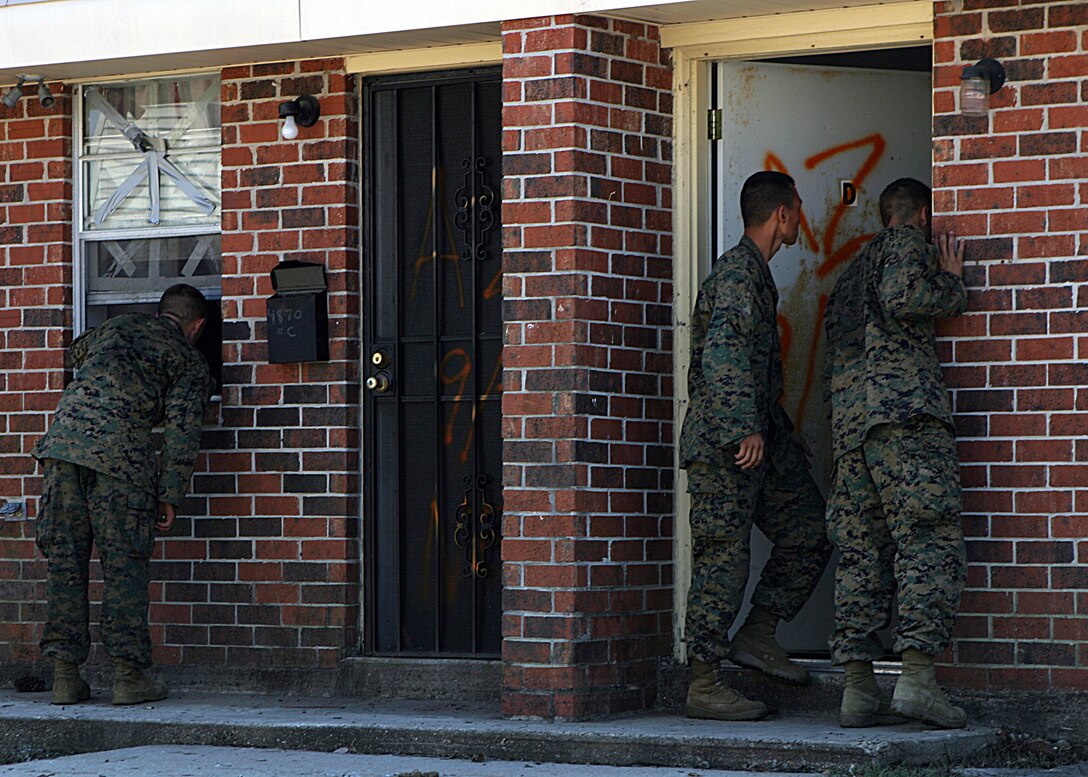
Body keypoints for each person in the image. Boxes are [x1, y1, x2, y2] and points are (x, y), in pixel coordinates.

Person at [679, 171, 832, 721]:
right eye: (798, 209)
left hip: (759, 441)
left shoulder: (755, 275)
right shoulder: (739, 275)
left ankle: (758, 634)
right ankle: (704, 682)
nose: (800, 219)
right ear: (783, 215)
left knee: (811, 531)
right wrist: (745, 426)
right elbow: (722, 357)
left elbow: (751, 367)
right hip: (726, 445)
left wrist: (779, 432)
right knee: (723, 557)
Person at [823, 177, 968, 729]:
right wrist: (952, 285)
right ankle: (918, 681)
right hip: (904, 419)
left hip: (853, 429)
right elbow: (907, 297)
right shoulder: (907, 241)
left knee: (861, 553)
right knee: (927, 538)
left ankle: (858, 690)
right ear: (922, 214)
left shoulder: (850, 271)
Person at [32, 283, 212, 706]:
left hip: (61, 452)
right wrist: (169, 494)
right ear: (197, 325)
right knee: (124, 571)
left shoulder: (117, 326)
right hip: (121, 464)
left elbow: (77, 353)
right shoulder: (188, 359)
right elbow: (182, 433)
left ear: (159, 312)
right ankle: (129, 678)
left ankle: (64, 677)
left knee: (66, 567)